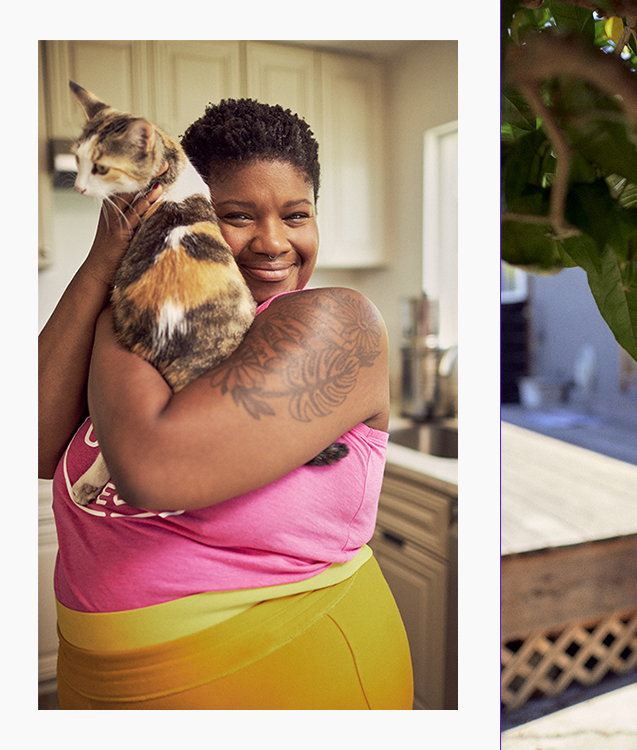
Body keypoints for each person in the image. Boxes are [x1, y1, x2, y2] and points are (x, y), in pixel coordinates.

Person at [38, 98, 413, 709]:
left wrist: (124, 304)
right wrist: (103, 261)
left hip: (287, 678)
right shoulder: (159, 328)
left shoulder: (333, 322)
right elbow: (29, 444)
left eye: (296, 215)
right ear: (187, 212)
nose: (272, 242)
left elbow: (154, 469)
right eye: (237, 215)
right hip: (100, 689)